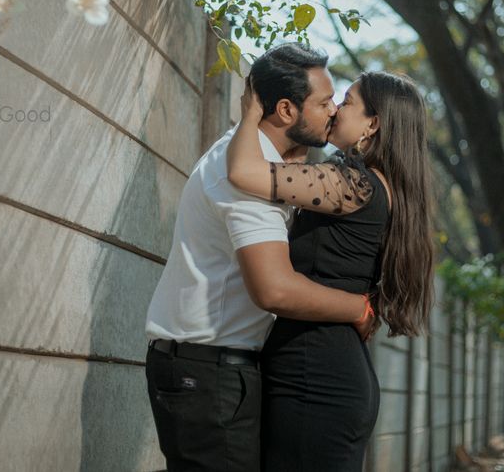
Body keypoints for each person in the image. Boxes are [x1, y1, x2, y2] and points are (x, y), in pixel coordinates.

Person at [144, 43, 375, 472]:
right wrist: (358, 308)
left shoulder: (264, 161)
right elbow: (274, 289)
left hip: (215, 367)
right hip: (208, 370)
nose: (334, 112)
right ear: (286, 110)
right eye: (324, 102)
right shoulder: (245, 174)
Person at [226, 70, 436, 471]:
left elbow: (242, 173)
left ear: (373, 124)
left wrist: (251, 112)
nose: (337, 110)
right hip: (330, 370)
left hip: (315, 378)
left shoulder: (352, 183)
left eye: (349, 102)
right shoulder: (380, 185)